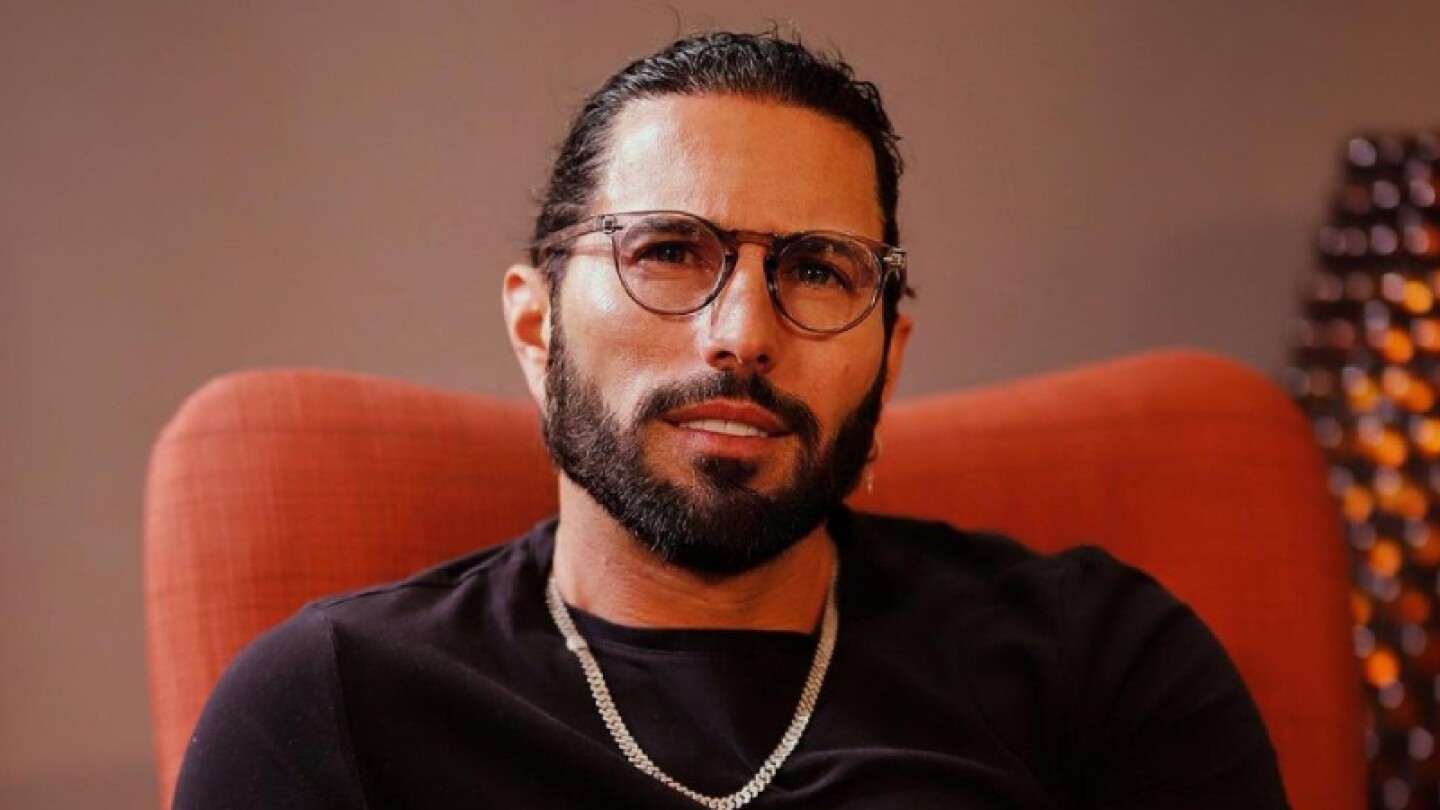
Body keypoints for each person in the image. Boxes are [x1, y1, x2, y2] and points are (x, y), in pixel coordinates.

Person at [173, 31, 1290, 809]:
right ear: (537, 326)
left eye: (819, 269)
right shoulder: (333, 702)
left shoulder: (1104, 667)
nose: (743, 333)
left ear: (890, 355)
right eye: (669, 250)